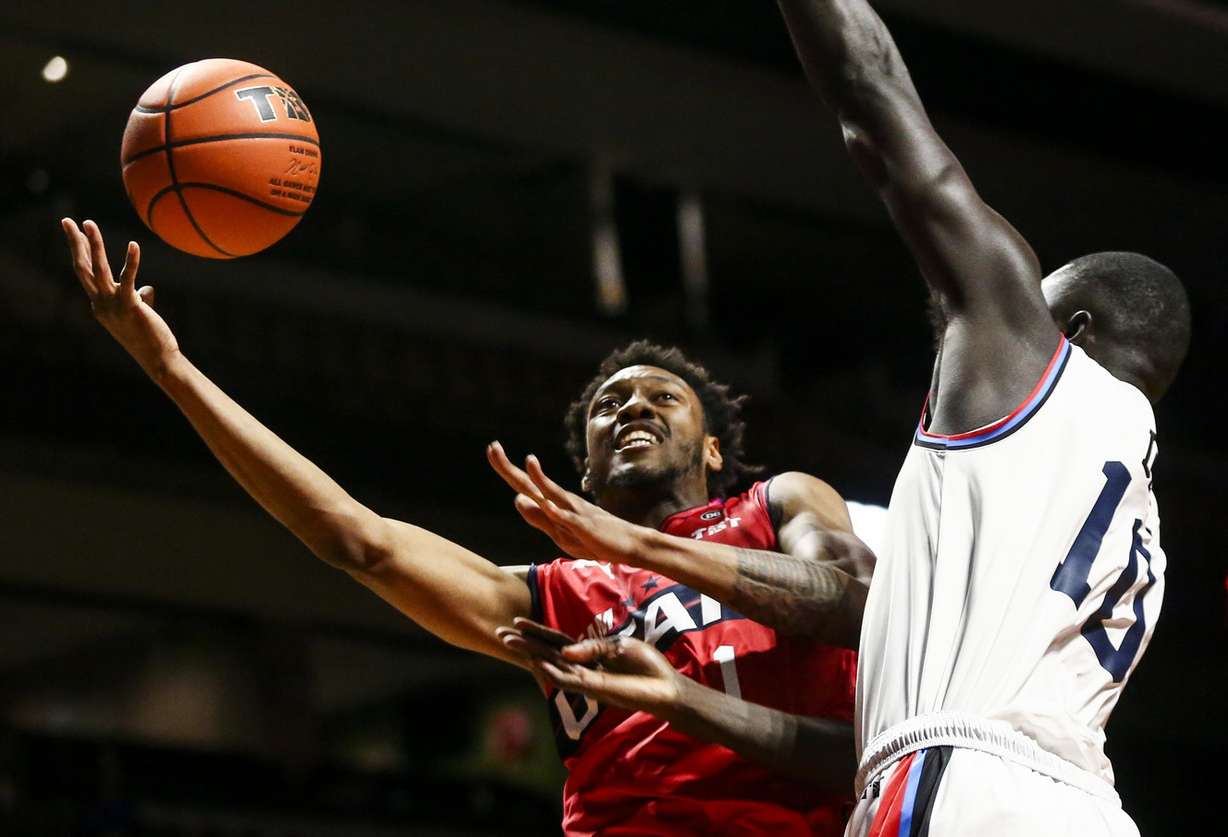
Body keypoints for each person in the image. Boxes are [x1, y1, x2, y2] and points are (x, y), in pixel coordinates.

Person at [60, 216, 871, 835]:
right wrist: (168, 369)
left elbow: (852, 596)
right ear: (584, 471)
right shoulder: (552, 596)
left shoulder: (775, 505)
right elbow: (358, 539)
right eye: (607, 404)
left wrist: (645, 546)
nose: (631, 405)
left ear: (716, 446)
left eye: (663, 396)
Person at [774, 1, 1192, 834]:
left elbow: (878, 108)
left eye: (1033, 312)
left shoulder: (1042, 373)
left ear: (1070, 333)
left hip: (968, 785)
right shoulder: (1141, 522)